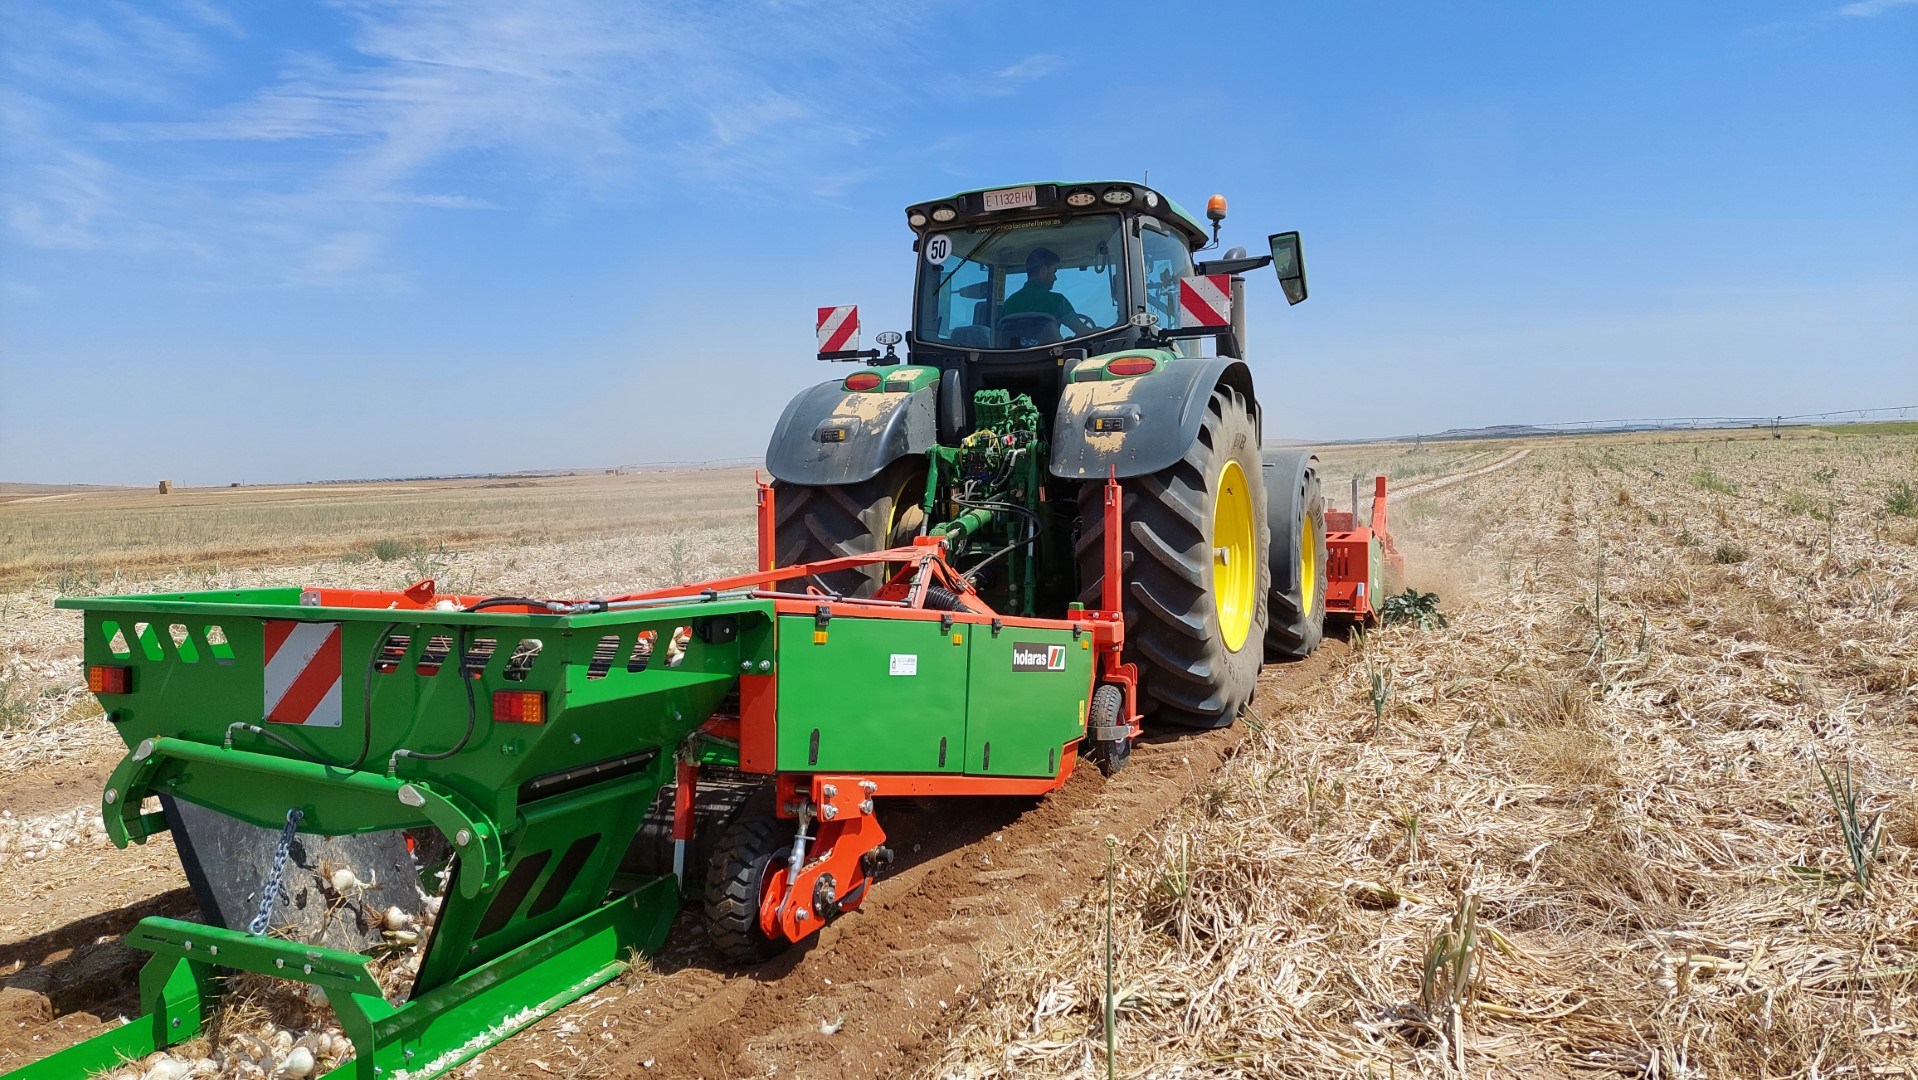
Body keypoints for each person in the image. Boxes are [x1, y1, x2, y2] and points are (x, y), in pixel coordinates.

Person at [1001, 247, 1098, 335]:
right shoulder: (1057, 301)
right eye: (1054, 271)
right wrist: (1104, 331)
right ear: (1043, 271)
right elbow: (1083, 332)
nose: (1055, 278)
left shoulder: (1009, 304)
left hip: (1016, 355)